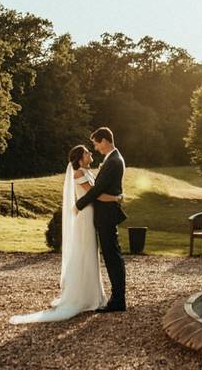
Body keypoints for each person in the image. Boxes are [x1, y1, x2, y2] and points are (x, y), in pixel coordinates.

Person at [9, 144, 122, 324]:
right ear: (79, 158)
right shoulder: (79, 174)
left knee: (90, 253)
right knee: (85, 253)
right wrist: (117, 197)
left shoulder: (88, 172)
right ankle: (82, 296)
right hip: (85, 217)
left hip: (91, 215)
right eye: (86, 152)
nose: (90, 153)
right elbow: (96, 195)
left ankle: (92, 294)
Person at [75, 126, 127, 312]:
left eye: (96, 144)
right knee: (113, 255)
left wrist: (79, 204)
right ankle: (118, 297)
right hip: (106, 213)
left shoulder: (113, 161)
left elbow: (97, 190)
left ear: (104, 141)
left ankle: (118, 300)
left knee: (112, 256)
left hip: (106, 215)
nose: (95, 148)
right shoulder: (112, 159)